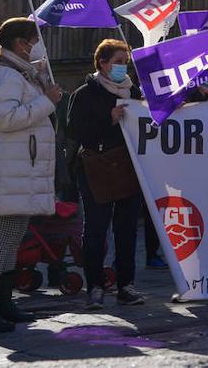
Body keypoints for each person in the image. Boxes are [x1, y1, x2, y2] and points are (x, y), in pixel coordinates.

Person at [0, 17, 64, 334]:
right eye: (35, 41)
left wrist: (40, 91)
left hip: (16, 168)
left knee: (11, 238)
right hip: (6, 169)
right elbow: (7, 119)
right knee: (0, 239)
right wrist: (46, 102)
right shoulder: (4, 76)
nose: (39, 47)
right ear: (22, 43)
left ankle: (3, 304)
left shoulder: (17, 75)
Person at [67, 38, 148, 310]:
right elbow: (75, 131)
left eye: (125, 63)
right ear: (102, 63)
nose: (123, 68)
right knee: (96, 229)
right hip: (96, 168)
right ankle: (95, 286)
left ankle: (126, 285)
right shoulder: (85, 93)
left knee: (126, 229)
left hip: (128, 166)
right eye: (118, 62)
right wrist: (108, 119)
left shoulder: (133, 92)